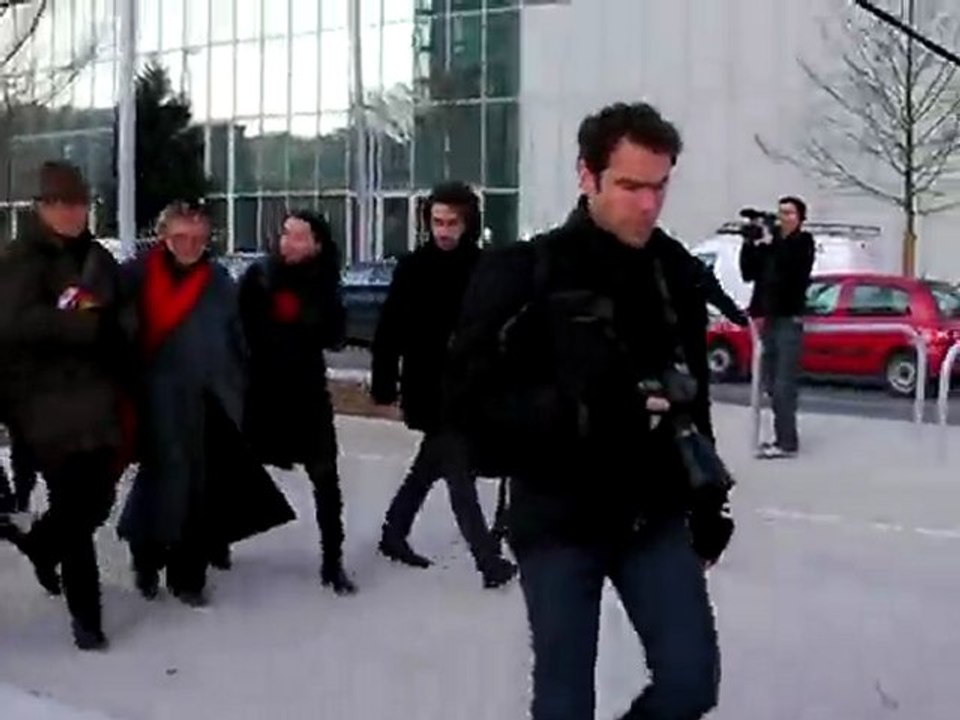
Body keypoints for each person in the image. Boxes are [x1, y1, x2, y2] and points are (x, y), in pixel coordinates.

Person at [445, 102, 733, 719]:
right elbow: (469, 408)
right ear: (587, 176)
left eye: (659, 187)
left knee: (690, 683)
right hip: (557, 520)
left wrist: (708, 497)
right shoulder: (525, 273)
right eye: (631, 186)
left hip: (652, 515)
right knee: (564, 702)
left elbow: (691, 394)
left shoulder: (672, 274)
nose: (649, 205)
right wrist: (588, 413)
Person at [117, 202, 295, 608]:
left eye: (198, 239)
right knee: (159, 484)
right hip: (156, 398)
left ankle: (188, 577)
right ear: (164, 236)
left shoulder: (217, 280)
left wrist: (240, 388)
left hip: (209, 399)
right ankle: (145, 560)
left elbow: (238, 336)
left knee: (201, 492)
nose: (189, 246)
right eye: (180, 237)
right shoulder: (136, 274)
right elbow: (111, 322)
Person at [0, 161, 128, 651]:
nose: (72, 213)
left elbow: (119, 309)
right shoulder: (20, 258)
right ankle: (87, 617)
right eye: (61, 204)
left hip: (97, 398)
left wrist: (120, 329)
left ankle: (39, 544)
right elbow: (13, 323)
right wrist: (82, 325)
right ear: (41, 208)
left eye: (79, 204)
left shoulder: (97, 257)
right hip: (45, 403)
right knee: (75, 505)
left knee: (97, 501)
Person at [371, 181, 516, 589]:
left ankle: (393, 532)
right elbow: (390, 331)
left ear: (468, 223)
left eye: (452, 222)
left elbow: (502, 328)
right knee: (458, 471)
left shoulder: (486, 268)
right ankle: (488, 561)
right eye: (437, 221)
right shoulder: (413, 268)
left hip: (474, 388)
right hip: (429, 389)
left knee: (430, 465)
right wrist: (384, 386)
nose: (444, 230)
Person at [239, 210, 356, 595]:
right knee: (230, 468)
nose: (288, 242)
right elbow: (238, 329)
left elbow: (336, 336)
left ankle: (332, 562)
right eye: (285, 233)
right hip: (263, 393)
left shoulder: (324, 283)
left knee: (326, 478)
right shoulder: (260, 277)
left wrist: (308, 317)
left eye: (299, 236)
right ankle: (213, 544)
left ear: (317, 244)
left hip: (307, 396)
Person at [739, 196, 815, 458]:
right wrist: (749, 243)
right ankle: (780, 437)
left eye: (789, 213)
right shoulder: (773, 245)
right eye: (780, 212)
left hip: (788, 319)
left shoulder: (802, 243)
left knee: (784, 383)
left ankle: (787, 442)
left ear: (800, 218)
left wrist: (772, 241)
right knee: (770, 382)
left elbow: (792, 272)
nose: (783, 218)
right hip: (767, 319)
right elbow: (748, 272)